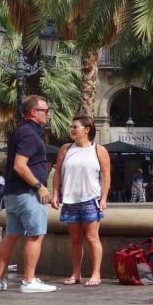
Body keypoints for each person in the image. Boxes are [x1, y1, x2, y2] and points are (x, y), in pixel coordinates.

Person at [0, 96, 56, 293]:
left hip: (12, 193)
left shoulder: (21, 131)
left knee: (11, 236)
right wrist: (39, 186)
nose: (48, 114)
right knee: (36, 235)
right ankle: (28, 281)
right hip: (27, 193)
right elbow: (20, 166)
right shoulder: (29, 134)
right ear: (33, 112)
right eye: (45, 110)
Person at [51, 116, 111, 287]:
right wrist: (55, 194)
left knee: (92, 237)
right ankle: (76, 273)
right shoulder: (65, 149)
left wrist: (104, 198)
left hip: (90, 199)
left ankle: (96, 273)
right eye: (71, 127)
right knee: (75, 239)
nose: (72, 130)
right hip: (70, 200)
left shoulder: (98, 150)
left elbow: (106, 176)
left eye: (75, 127)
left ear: (87, 130)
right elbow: (57, 173)